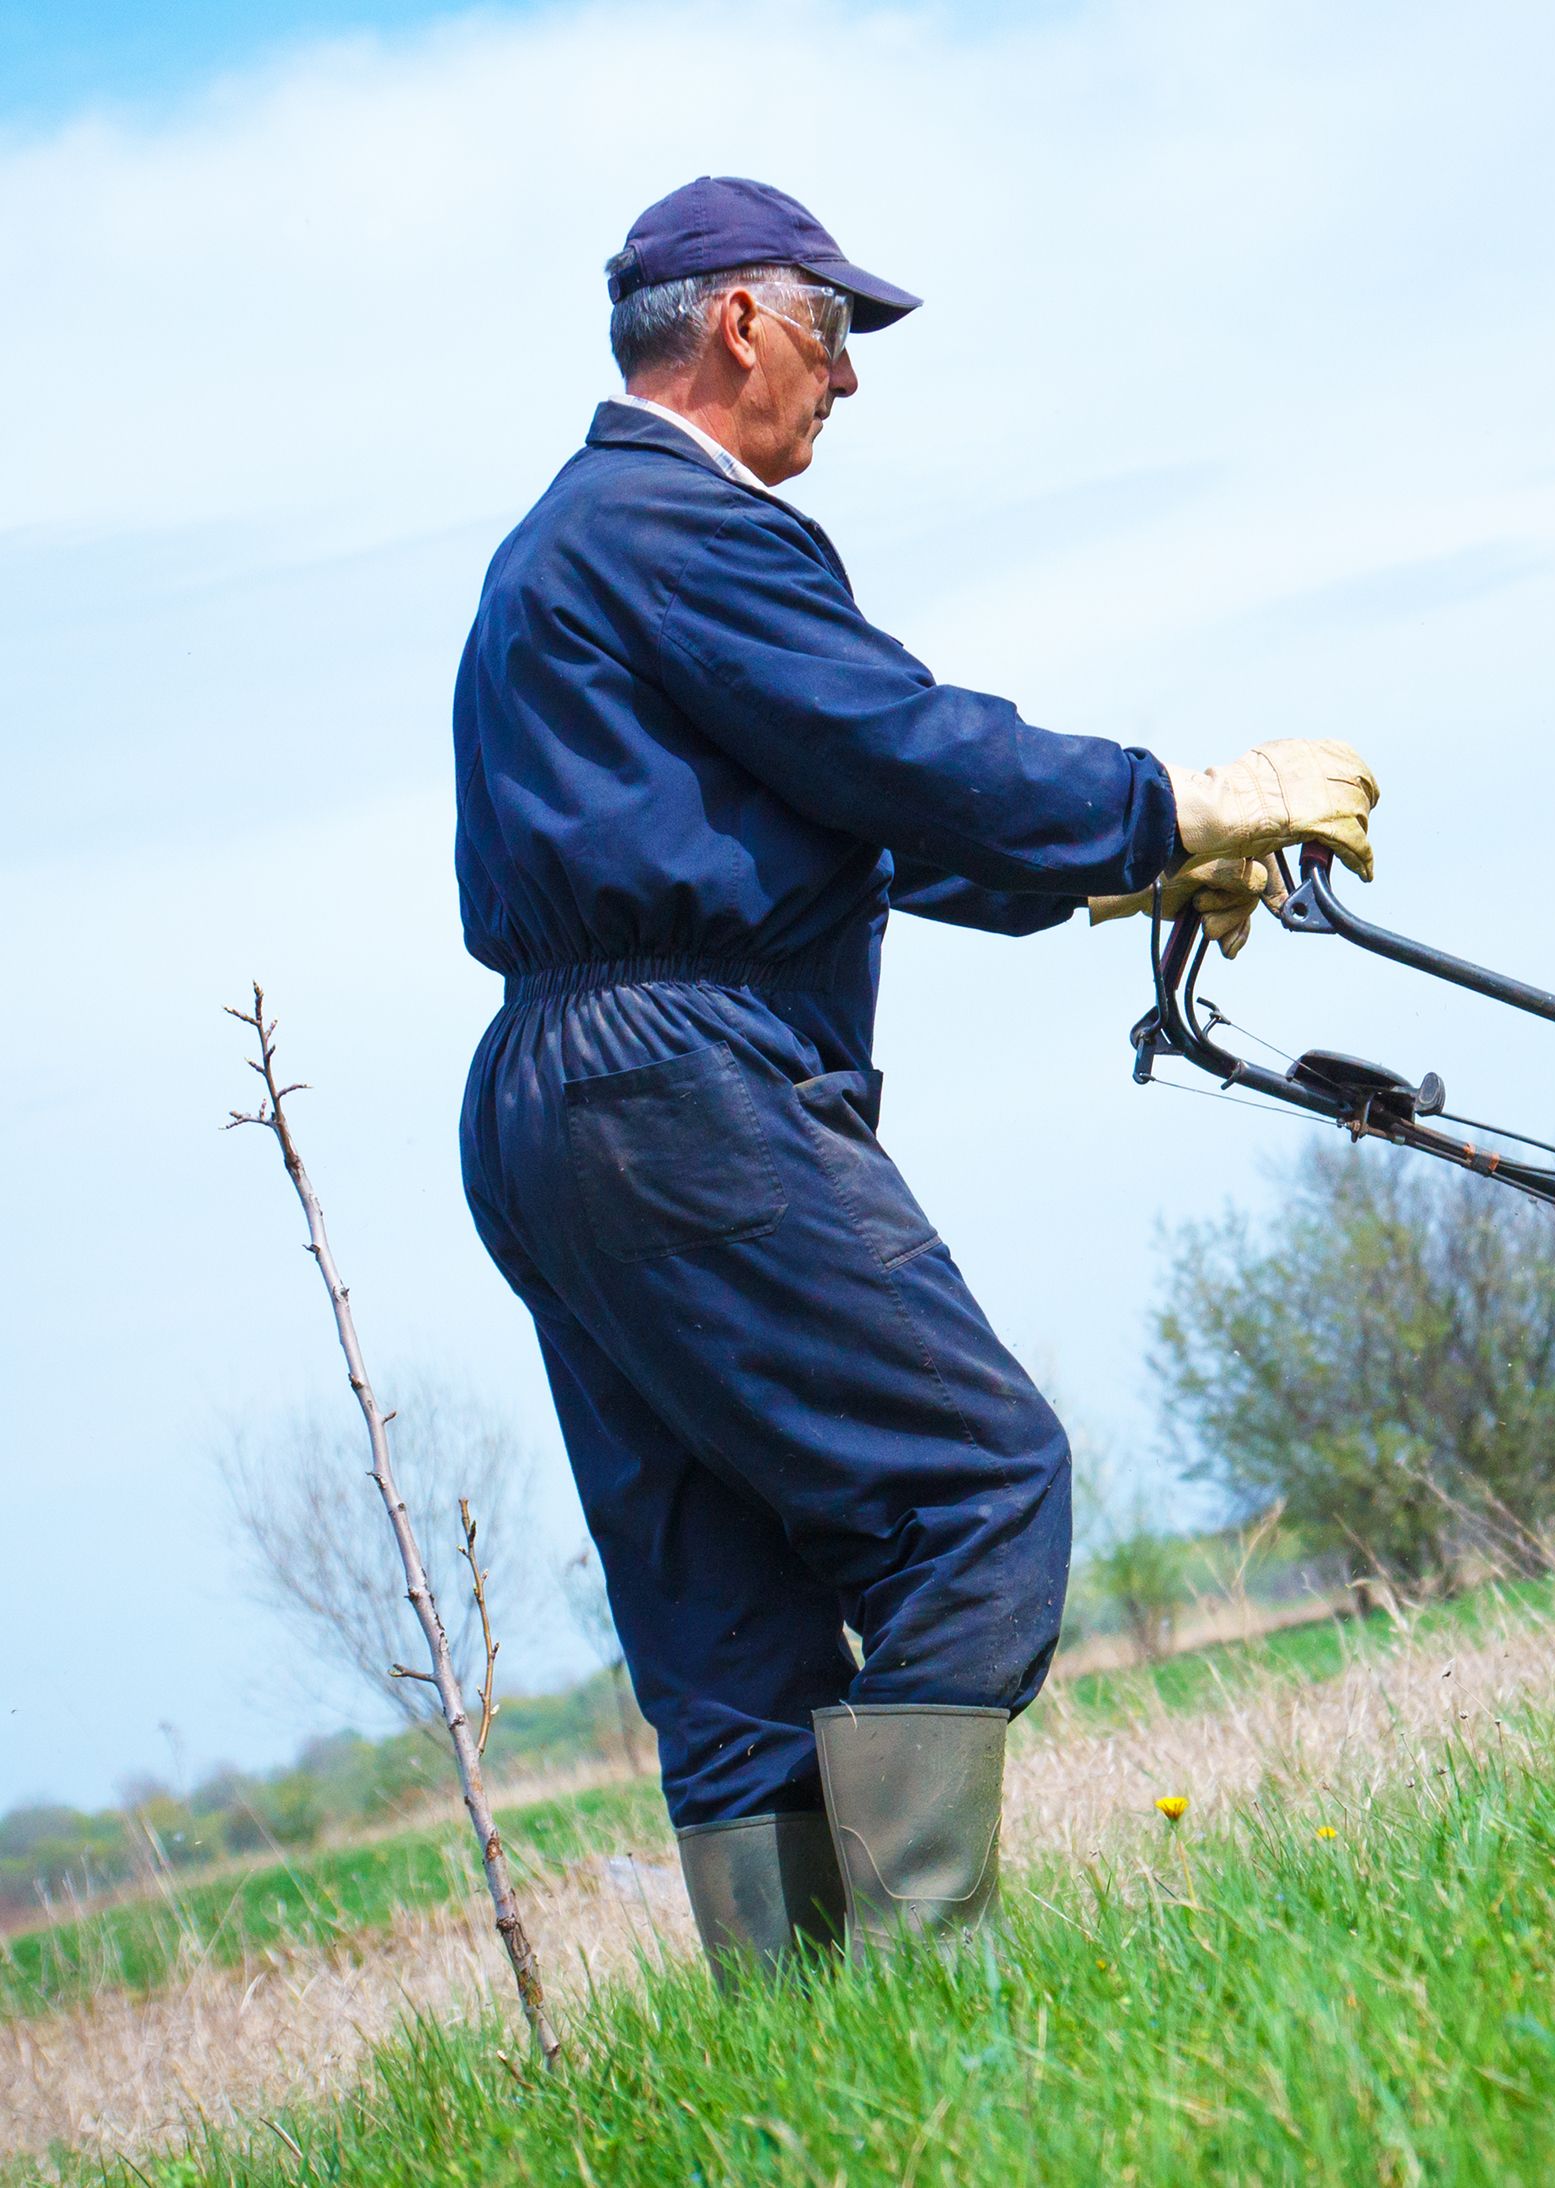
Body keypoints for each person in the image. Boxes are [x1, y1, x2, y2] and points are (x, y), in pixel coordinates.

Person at [452, 176, 1376, 1980]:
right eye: (834, 331)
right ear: (737, 322)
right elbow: (895, 743)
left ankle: (813, 2085)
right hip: (678, 1083)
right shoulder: (675, 526)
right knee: (985, 1482)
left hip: (556, 1099)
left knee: (728, 1611)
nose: (851, 381)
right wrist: (1172, 800)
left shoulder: (565, 548)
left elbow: (836, 820)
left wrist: (1128, 872)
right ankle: (920, 1995)